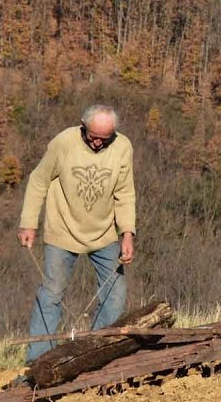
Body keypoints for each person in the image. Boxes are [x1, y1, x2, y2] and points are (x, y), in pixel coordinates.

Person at [18, 104, 137, 364]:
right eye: (92, 136)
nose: (96, 143)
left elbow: (125, 192)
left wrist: (127, 233)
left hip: (104, 234)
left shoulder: (123, 147)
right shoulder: (63, 143)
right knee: (51, 295)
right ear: (82, 126)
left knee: (115, 295)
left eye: (104, 139)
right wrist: (29, 223)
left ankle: (93, 353)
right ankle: (38, 360)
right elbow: (38, 180)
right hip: (62, 231)